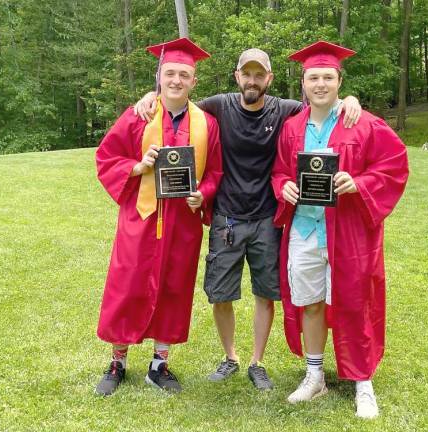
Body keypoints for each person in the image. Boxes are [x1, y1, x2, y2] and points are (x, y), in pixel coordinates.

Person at [135, 48, 361, 390]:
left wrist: (349, 99)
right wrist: (151, 95)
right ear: (237, 76)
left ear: (268, 78)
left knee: (264, 294)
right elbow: (178, 98)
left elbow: (322, 104)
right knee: (221, 295)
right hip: (227, 216)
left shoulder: (285, 109)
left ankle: (257, 361)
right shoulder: (219, 105)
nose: (252, 80)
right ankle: (230, 357)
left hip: (267, 218)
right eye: (247, 74)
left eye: (260, 74)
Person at [271, 41, 409, 418]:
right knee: (311, 302)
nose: (320, 84)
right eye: (313, 77)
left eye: (327, 77)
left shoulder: (361, 122)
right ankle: (314, 375)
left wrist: (359, 183)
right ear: (303, 83)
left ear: (339, 80)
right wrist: (283, 186)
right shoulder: (291, 127)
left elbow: (394, 166)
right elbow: (281, 170)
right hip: (304, 229)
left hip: (348, 231)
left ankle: (363, 381)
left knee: (354, 301)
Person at [94, 37, 223, 396]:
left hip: (182, 221)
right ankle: (118, 361)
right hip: (142, 217)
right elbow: (107, 157)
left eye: (184, 74)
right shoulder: (139, 115)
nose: (177, 80)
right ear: (159, 76)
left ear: (194, 81)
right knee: (128, 285)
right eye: (170, 73)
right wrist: (138, 166)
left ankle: (159, 364)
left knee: (174, 287)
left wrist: (204, 193)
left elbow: (215, 173)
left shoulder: (207, 124)